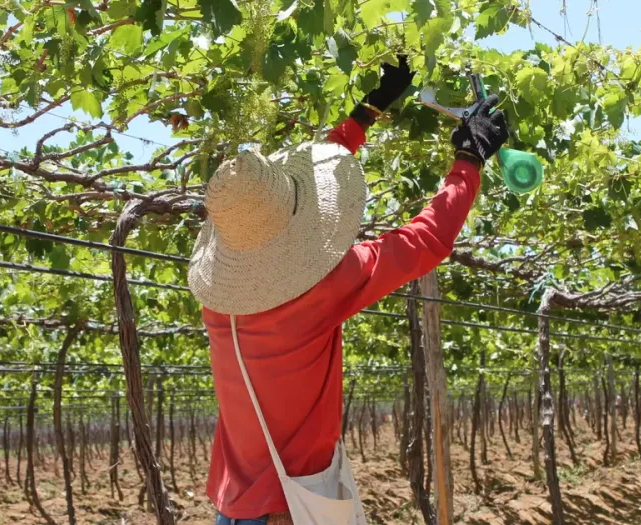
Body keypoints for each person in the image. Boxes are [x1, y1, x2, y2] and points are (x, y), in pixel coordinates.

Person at [187, 57, 509, 524]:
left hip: (233, 506)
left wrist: (371, 109)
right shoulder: (322, 287)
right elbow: (425, 241)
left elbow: (325, 164)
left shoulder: (218, 301)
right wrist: (469, 159)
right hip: (289, 511)